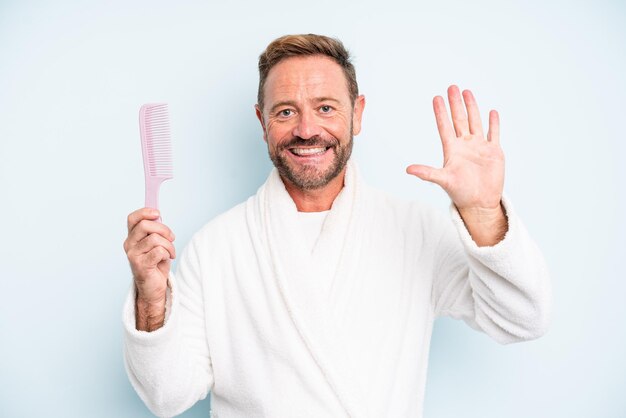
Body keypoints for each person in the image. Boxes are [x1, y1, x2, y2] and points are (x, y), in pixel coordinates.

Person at [122, 34, 551, 418]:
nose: (307, 130)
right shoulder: (217, 247)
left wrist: (483, 212)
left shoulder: (414, 231)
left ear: (357, 113)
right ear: (261, 122)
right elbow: (168, 396)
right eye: (286, 112)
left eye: (325, 108)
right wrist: (151, 298)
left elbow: (523, 320)